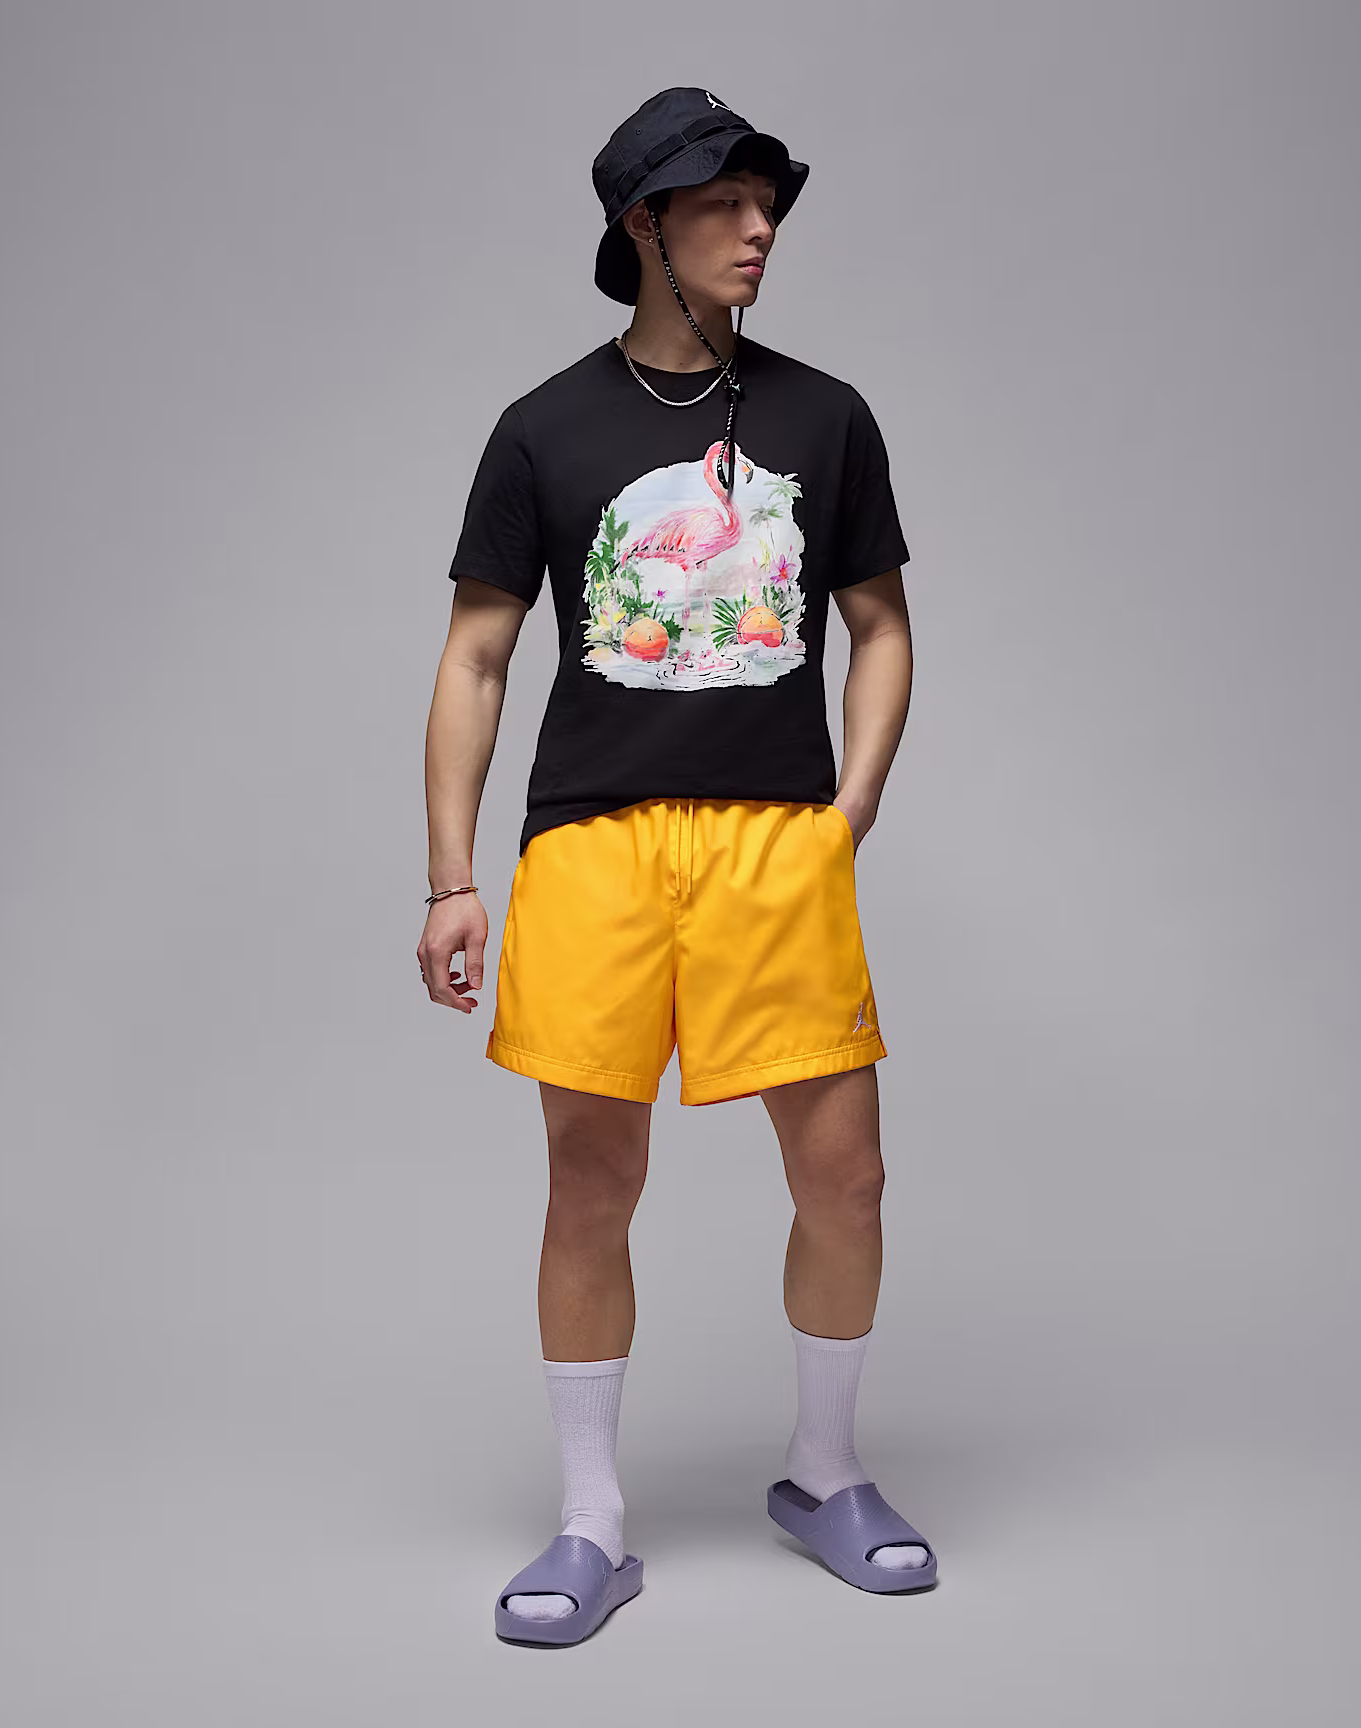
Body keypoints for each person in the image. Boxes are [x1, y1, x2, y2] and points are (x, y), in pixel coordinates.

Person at [419, 88, 934, 1646]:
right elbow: (477, 655)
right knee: (592, 1181)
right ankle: (592, 1522)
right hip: (594, 845)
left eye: (768, 202)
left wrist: (848, 808)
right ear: (643, 225)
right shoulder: (543, 428)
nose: (760, 228)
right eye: (724, 202)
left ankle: (826, 1475)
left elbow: (882, 628)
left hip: (776, 843)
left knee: (845, 1175)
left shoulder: (827, 418)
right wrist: (452, 875)